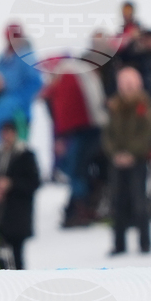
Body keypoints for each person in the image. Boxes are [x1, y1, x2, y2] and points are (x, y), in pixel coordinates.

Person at [40, 57, 108, 227]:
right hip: (91, 129)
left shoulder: (66, 77)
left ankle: (80, 208)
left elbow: (64, 112)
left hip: (80, 131)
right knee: (80, 169)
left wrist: (61, 137)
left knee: (76, 170)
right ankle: (84, 205)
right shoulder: (80, 74)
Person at [103, 67, 151, 255]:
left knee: (139, 201)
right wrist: (115, 154)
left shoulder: (144, 105)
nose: (127, 90)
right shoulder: (114, 106)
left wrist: (132, 154)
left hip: (138, 160)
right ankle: (119, 243)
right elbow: (107, 134)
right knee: (117, 202)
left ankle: (145, 243)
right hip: (117, 161)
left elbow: (147, 133)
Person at [0, 121, 40, 269]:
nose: (6, 136)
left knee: (17, 255)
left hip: (17, 214)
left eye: (9, 132)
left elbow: (34, 182)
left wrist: (11, 184)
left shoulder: (25, 155)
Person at [0, 23, 44, 126]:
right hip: (2, 112)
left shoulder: (27, 57)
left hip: (21, 113)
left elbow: (36, 83)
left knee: (20, 142)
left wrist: (18, 101)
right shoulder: (2, 59)